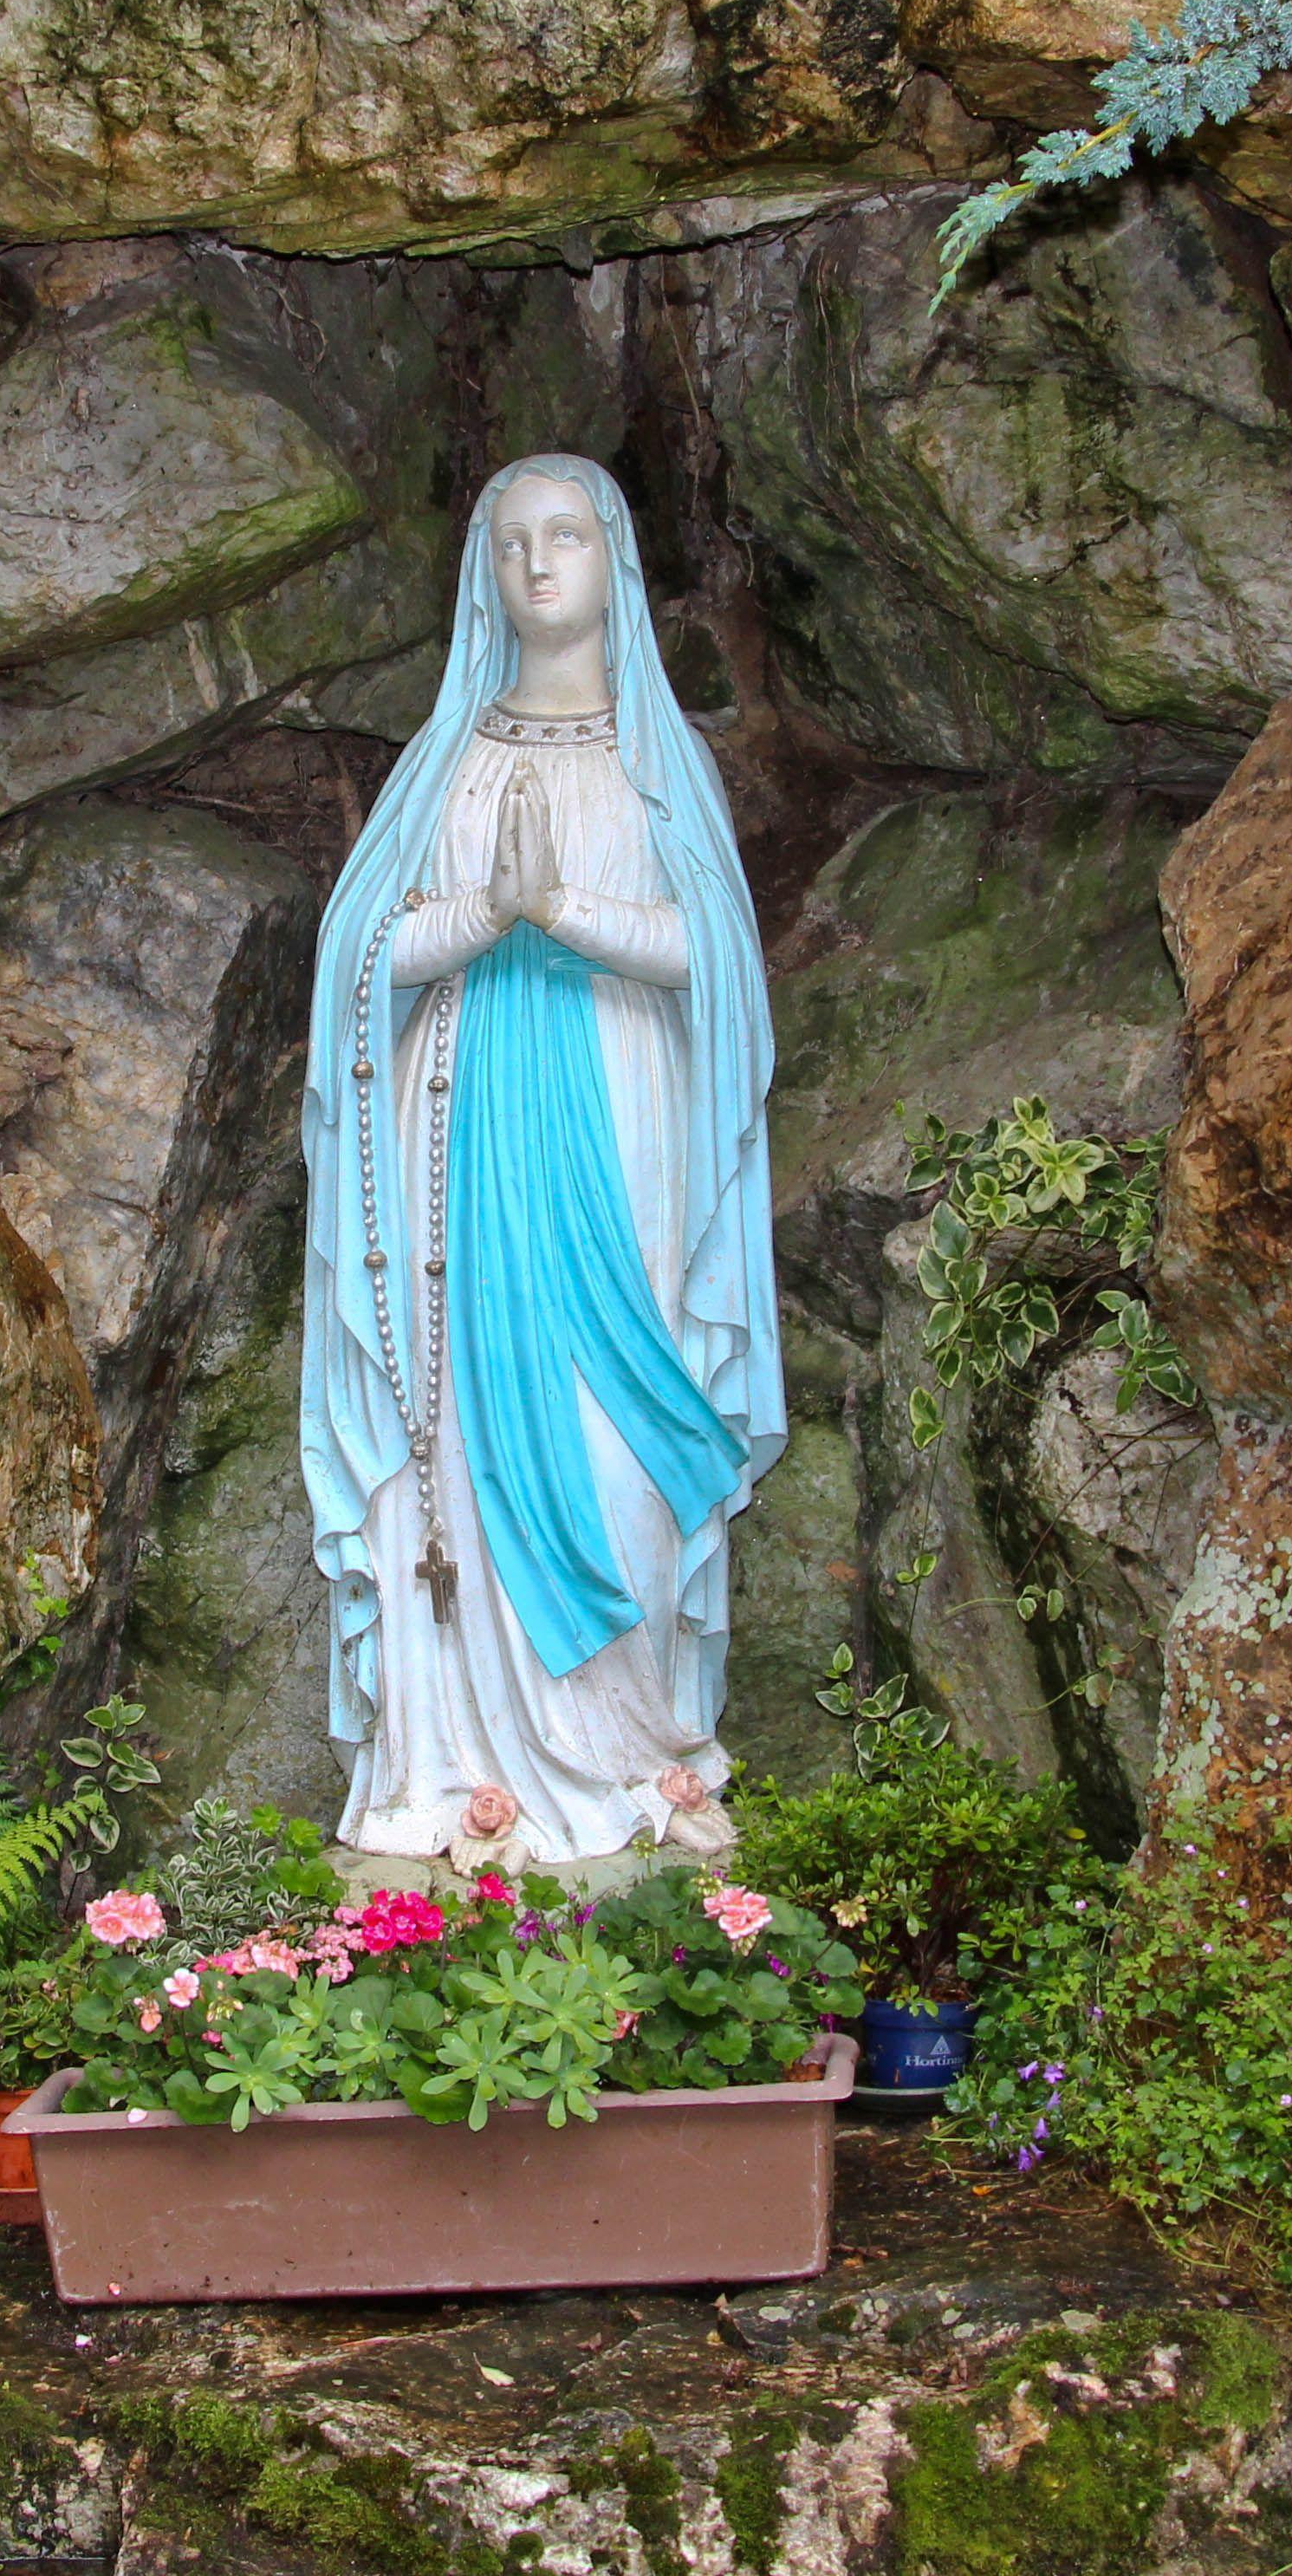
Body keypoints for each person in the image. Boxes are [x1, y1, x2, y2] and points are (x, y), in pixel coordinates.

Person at [296, 452, 783, 1865]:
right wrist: (476, 920)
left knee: (615, 1442)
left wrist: (564, 909)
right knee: (452, 1429)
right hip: (454, 1139)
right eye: (511, 544)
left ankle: (631, 1749)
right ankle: (454, 1771)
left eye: (566, 536)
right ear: (482, 573)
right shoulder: (446, 758)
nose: (538, 566)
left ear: (614, 560)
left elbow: (725, 974)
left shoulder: (656, 758)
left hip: (622, 1137)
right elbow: (358, 965)